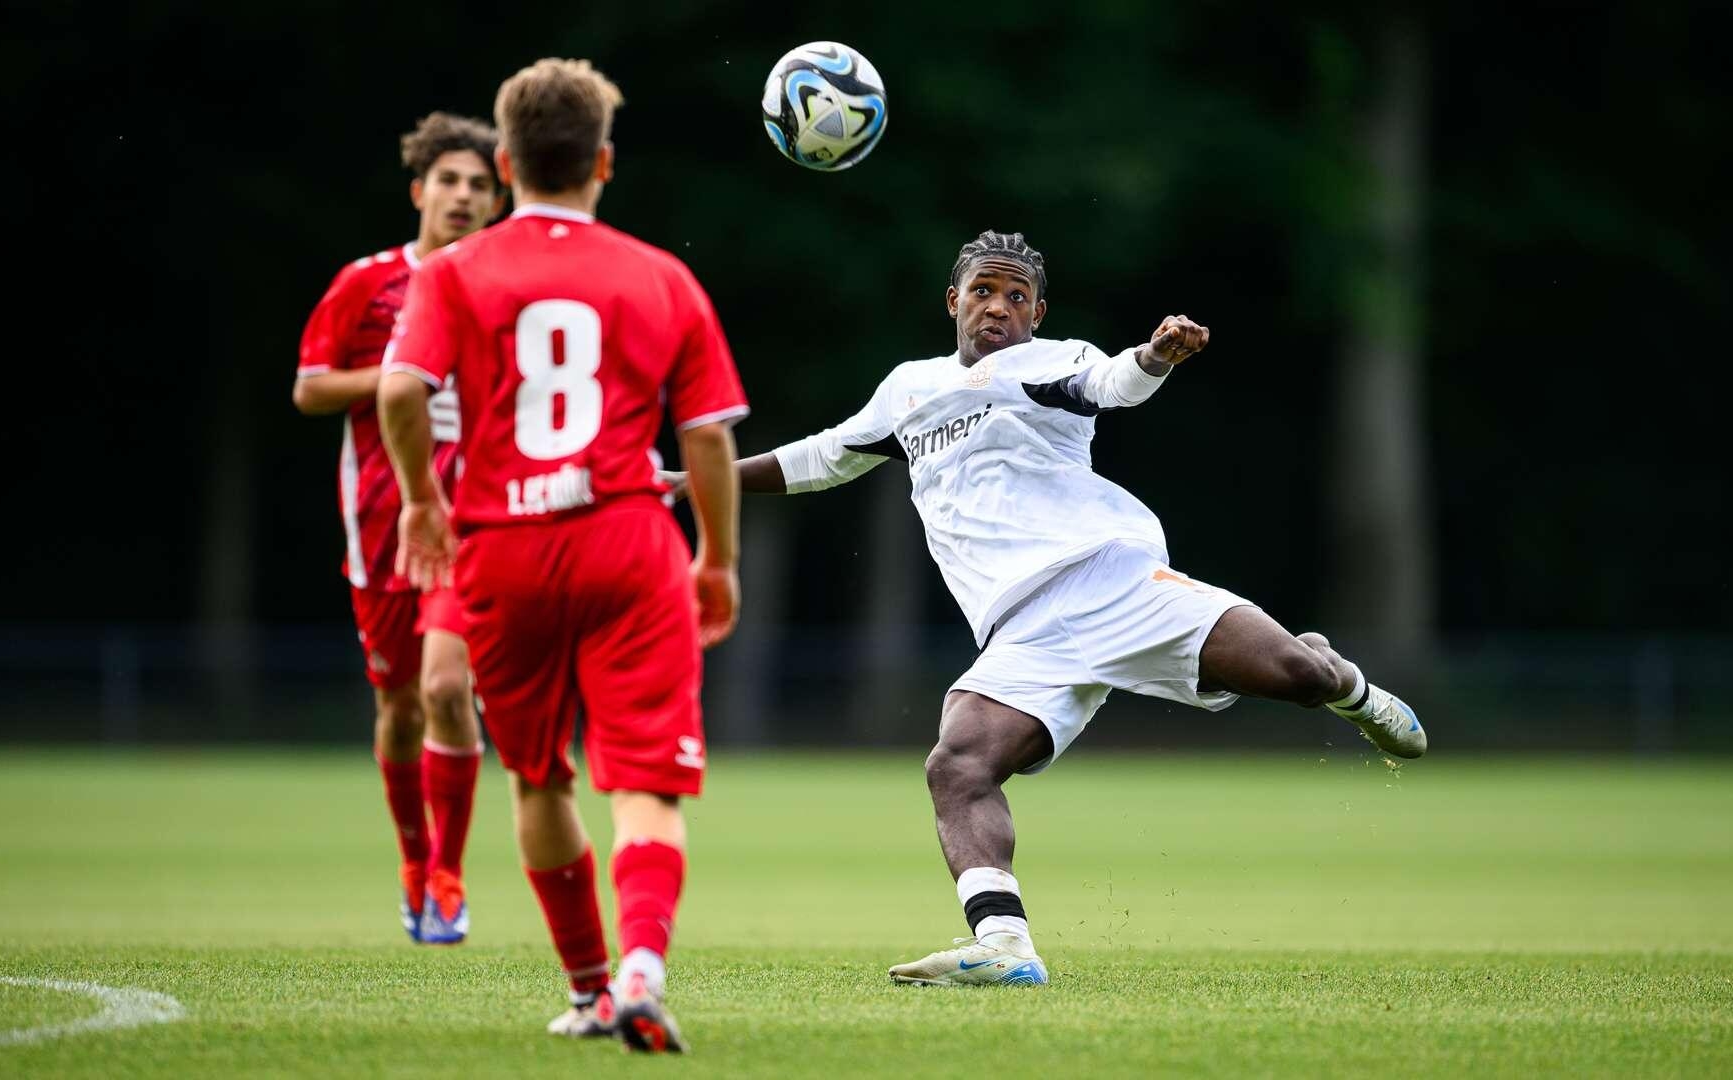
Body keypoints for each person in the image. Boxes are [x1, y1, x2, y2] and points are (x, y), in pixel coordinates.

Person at [668, 229, 1426, 988]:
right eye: (983, 292)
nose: (998, 307)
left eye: (1016, 296)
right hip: (1020, 630)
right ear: (953, 301)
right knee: (958, 763)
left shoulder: (1046, 361)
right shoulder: (909, 389)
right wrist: (695, 483)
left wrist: (1156, 355)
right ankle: (1004, 946)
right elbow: (822, 457)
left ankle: (1348, 685)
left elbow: (1111, 382)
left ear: (1037, 312)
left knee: (1296, 674)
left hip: (1110, 578)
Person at [377, 58, 746, 1053]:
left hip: (501, 547)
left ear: (503, 164)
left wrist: (421, 503)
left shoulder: (453, 272)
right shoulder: (659, 275)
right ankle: (640, 969)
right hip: (628, 542)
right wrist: (714, 558)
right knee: (646, 784)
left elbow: (400, 393)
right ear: (604, 163)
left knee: (539, 778)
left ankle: (589, 990)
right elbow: (706, 435)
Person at [292, 112, 502, 946]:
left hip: (471, 526)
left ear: (497, 200)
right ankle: (414, 862)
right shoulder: (367, 283)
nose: (462, 196)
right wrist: (397, 376)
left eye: (479, 185)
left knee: (447, 689)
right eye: (448, 181)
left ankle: (448, 877)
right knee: (399, 706)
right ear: (419, 191)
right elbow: (309, 387)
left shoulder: (499, 286)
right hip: (379, 526)